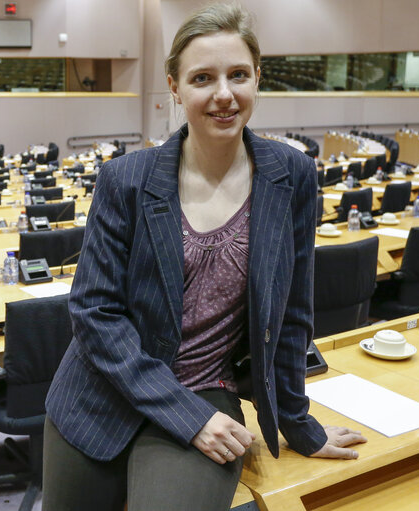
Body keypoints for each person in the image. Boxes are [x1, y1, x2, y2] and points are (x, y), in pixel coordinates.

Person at [42, 3, 367, 510]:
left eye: (238, 75)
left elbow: (291, 316)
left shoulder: (292, 176)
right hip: (101, 391)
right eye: (202, 78)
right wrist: (181, 413)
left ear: (258, 78)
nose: (223, 94)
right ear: (174, 87)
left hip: (205, 390)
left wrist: (299, 425)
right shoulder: (127, 178)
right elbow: (94, 312)